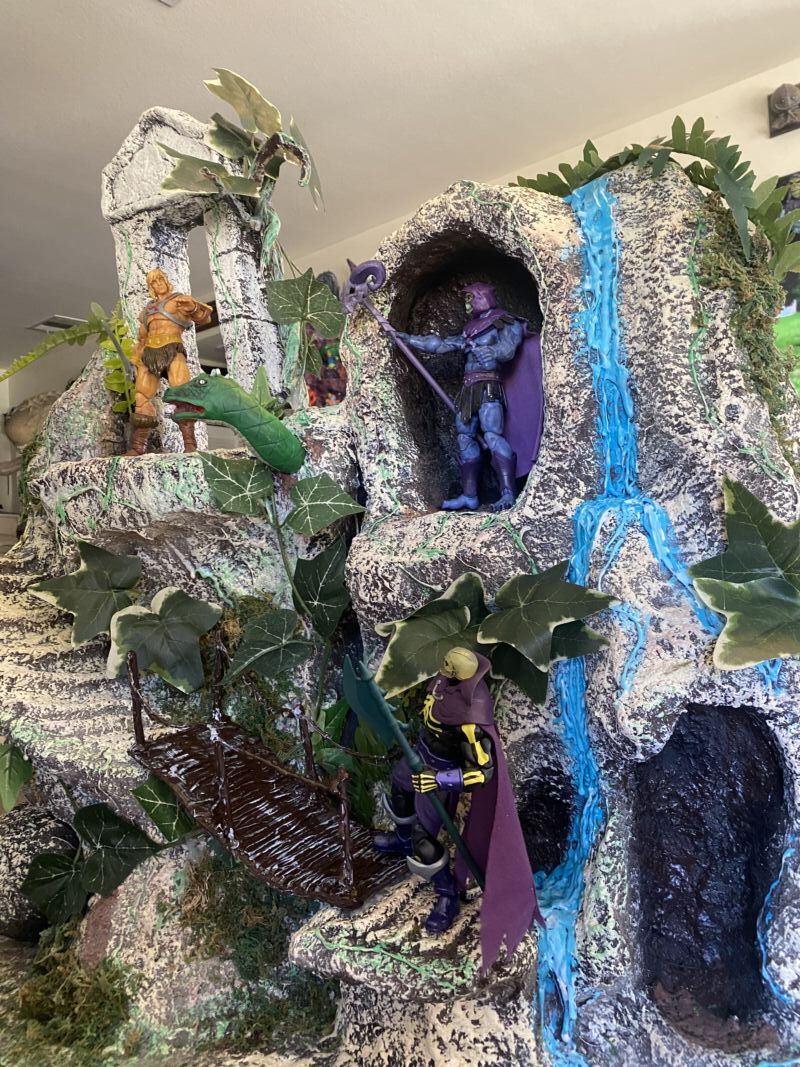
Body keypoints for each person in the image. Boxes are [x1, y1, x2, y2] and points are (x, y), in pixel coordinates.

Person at [374, 647, 542, 965]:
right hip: (420, 755)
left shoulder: (471, 713)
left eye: (449, 663)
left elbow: (482, 773)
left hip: (439, 773)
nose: (443, 665)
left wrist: (439, 780)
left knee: (425, 840)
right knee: (398, 787)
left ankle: (447, 893)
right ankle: (402, 838)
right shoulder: (442, 682)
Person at [396, 282, 537, 512]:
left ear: (484, 297)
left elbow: (509, 348)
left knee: (492, 435)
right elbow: (441, 344)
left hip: (489, 387)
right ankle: (469, 496)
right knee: (464, 437)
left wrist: (493, 351)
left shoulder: (504, 321)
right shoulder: (470, 328)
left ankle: (508, 494)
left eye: (472, 298)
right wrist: (408, 339)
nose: (469, 303)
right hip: (469, 389)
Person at [125, 268, 212, 456]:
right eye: (154, 282)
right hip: (150, 353)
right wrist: (134, 360)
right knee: (141, 397)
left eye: (161, 280)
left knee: (182, 395)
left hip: (173, 348)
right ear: (151, 287)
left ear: (166, 280)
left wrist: (193, 308)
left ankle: (190, 445)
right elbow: (141, 338)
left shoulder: (179, 300)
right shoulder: (147, 310)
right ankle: (138, 447)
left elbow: (205, 318)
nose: (159, 284)